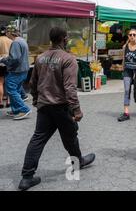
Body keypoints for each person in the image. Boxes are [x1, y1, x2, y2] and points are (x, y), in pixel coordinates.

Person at [18, 27, 95, 191]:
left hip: (45, 106)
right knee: (70, 136)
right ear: (64, 39)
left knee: (38, 139)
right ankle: (78, 161)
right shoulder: (68, 59)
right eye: (66, 37)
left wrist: (37, 100)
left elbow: (33, 83)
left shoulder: (40, 58)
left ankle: (26, 176)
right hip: (61, 107)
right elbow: (70, 88)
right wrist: (77, 110)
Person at [0, 25, 31, 120]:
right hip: (23, 70)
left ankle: (24, 109)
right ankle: (16, 110)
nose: (6, 34)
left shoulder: (16, 43)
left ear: (10, 33)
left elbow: (14, 58)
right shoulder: (21, 40)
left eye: (7, 32)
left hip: (17, 71)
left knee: (11, 89)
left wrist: (3, 60)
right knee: (16, 90)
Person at [118, 29, 136, 122]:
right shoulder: (125, 46)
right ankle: (126, 113)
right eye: (130, 35)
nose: (132, 36)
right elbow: (123, 59)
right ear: (128, 36)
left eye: (134, 34)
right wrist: (122, 69)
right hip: (127, 71)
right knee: (126, 90)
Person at [0, 26, 12, 108]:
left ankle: (0, 102)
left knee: (0, 83)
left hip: (0, 63)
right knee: (8, 82)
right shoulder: (11, 41)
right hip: (9, 63)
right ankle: (8, 101)